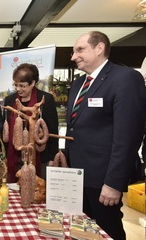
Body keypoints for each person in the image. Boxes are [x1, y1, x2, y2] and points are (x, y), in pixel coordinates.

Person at [65, 31, 146, 240]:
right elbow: (76, 128)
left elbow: (128, 137)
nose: (74, 57)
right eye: (74, 52)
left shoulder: (126, 78)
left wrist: (113, 183)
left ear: (99, 48)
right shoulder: (77, 84)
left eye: (79, 50)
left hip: (103, 180)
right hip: (78, 177)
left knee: (108, 232)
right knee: (82, 232)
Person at [3, 63, 59, 182]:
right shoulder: (10, 100)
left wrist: (52, 157)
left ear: (33, 83)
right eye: (16, 85)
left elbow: (53, 129)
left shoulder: (46, 99)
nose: (18, 89)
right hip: (16, 157)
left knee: (37, 190)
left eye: (22, 86)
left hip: (39, 156)